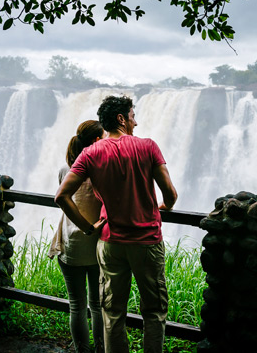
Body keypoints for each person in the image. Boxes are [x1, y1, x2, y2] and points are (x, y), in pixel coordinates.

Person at [55, 95, 178, 353]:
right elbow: (171, 195)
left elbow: (62, 197)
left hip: (110, 243)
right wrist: (161, 207)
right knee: (154, 311)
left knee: (112, 312)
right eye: (133, 116)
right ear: (122, 118)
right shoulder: (148, 147)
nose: (136, 121)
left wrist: (89, 228)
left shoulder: (90, 153)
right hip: (146, 242)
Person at [49, 120, 106, 353]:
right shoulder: (102, 171)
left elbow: (66, 200)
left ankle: (82, 350)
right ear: (96, 141)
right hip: (95, 246)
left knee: (77, 306)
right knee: (97, 305)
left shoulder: (66, 169)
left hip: (71, 245)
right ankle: (101, 349)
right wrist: (90, 228)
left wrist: (83, 227)